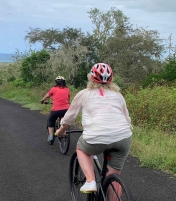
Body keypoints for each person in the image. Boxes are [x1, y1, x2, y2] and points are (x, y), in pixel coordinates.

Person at [55, 63, 132, 193]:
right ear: (111, 79)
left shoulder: (84, 94)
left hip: (96, 137)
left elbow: (69, 118)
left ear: (91, 77)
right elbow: (127, 118)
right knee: (114, 177)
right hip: (123, 137)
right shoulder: (118, 95)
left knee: (81, 148)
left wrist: (61, 130)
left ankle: (90, 181)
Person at [40, 76, 71, 142]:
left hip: (56, 109)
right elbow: (68, 101)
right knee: (64, 120)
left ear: (56, 82)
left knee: (50, 120)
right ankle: (63, 131)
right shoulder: (67, 89)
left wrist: (42, 100)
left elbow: (47, 96)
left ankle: (51, 136)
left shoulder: (54, 89)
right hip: (66, 109)